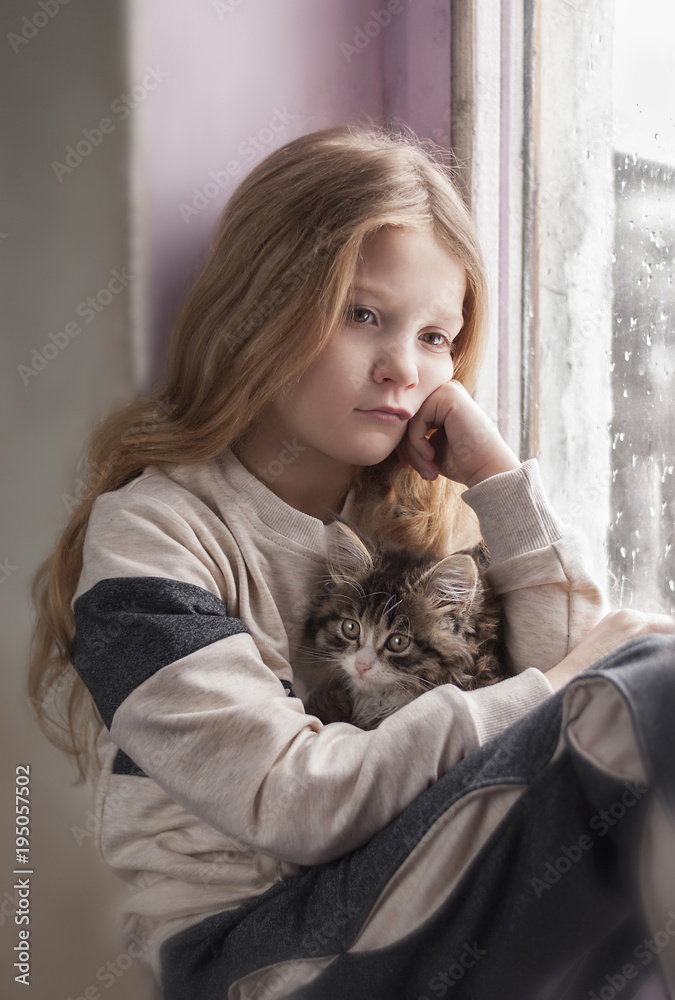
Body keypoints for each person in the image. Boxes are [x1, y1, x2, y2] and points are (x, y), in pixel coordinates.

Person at [28, 122, 675, 1000]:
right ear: (261, 308)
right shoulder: (154, 538)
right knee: (657, 685)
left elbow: (565, 668)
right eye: (363, 315)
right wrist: (565, 682)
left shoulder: (398, 517)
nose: (402, 369)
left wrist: (495, 482)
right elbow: (294, 802)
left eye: (436, 337)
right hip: (257, 951)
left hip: (405, 881)